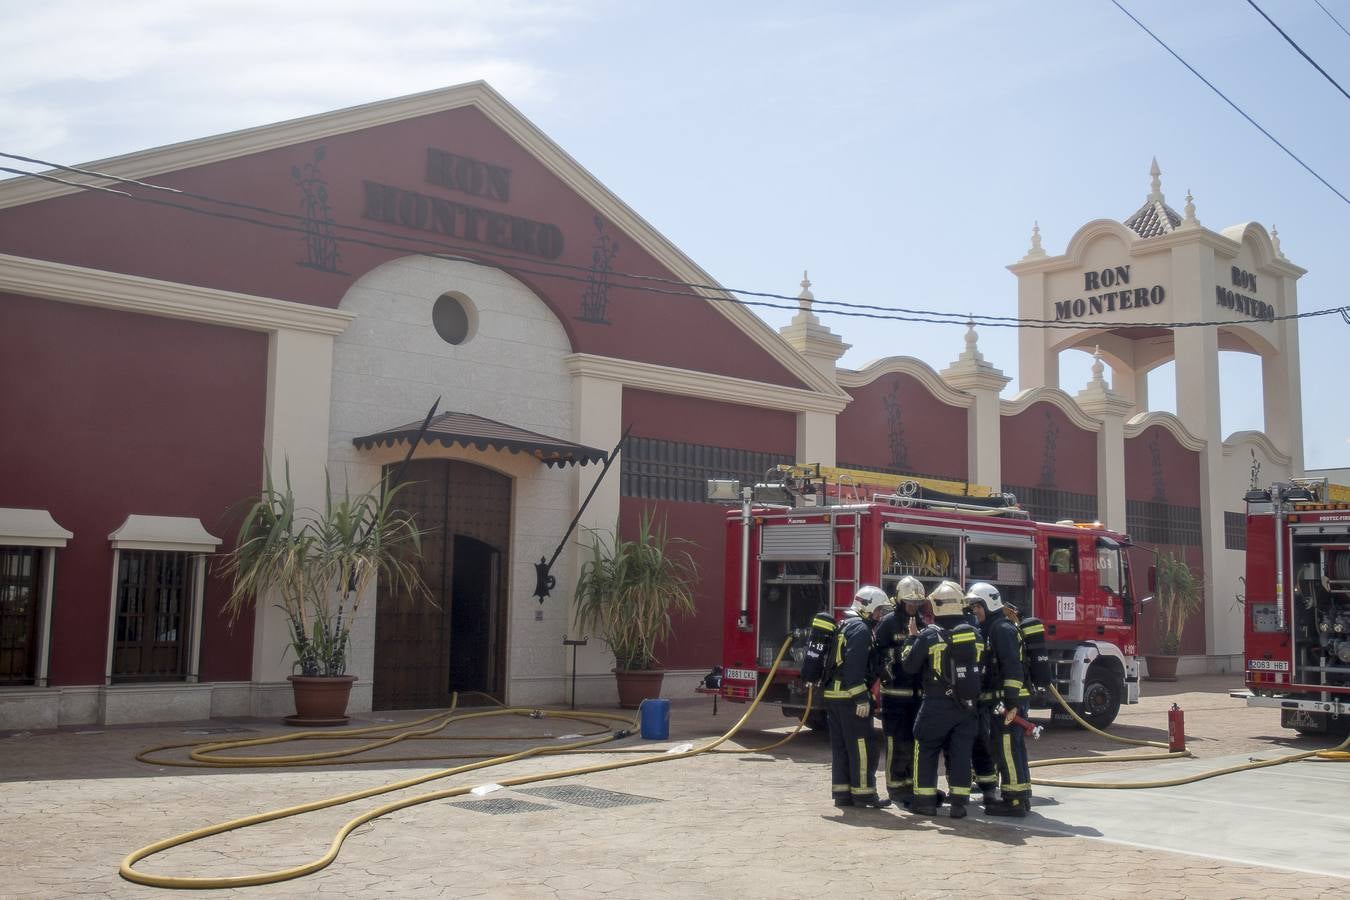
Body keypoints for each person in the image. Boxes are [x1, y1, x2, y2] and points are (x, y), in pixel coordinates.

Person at [901, 579, 983, 818]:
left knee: (926, 747)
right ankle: (959, 804)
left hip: (936, 703)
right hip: (967, 705)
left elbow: (909, 666)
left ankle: (925, 802)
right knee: (961, 752)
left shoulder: (929, 635)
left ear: (936, 605)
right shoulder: (975, 636)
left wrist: (911, 639)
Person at [966, 582, 1033, 817]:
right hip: (1004, 700)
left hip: (1009, 702)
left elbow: (1012, 667)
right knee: (1013, 748)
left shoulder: (1001, 629)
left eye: (977, 606)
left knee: (1007, 749)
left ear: (988, 604)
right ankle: (1021, 796)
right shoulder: (995, 627)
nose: (974, 611)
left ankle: (1014, 802)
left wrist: (1011, 702)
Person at [825, 585, 892, 809]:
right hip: (849, 698)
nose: (880, 615)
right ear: (868, 608)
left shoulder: (845, 624)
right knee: (863, 747)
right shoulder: (861, 630)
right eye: (879, 610)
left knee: (842, 747)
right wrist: (861, 698)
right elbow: (854, 668)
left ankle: (843, 794)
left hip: (834, 695)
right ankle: (864, 794)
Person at [871, 575, 926, 804]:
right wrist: (901, 652)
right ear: (900, 601)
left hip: (916, 695)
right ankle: (895, 788)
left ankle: (910, 785)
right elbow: (876, 654)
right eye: (910, 602)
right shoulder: (888, 623)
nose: (913, 607)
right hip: (894, 696)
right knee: (896, 741)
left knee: (913, 741)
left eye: (917, 603)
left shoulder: (921, 624)